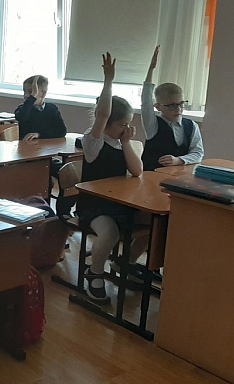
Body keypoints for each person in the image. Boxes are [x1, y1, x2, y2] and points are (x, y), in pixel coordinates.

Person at [77, 53, 144, 302]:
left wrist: (126, 143)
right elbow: (103, 114)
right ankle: (94, 273)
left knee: (153, 225)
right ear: (106, 124)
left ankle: (125, 262)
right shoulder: (93, 140)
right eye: (122, 125)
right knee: (110, 234)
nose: (127, 129)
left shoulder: (121, 142)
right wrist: (108, 81)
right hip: (93, 205)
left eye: (129, 124)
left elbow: (137, 171)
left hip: (118, 201)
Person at [140, 45, 204, 170]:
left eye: (181, 103)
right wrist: (151, 69)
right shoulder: (153, 125)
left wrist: (179, 160)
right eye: (172, 106)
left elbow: (198, 153)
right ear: (158, 107)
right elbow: (146, 103)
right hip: (152, 175)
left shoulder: (191, 126)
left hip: (180, 175)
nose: (178, 109)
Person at [14, 75, 67, 140]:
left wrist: (39, 134)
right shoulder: (22, 109)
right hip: (26, 145)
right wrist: (32, 97)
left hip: (46, 145)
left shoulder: (52, 109)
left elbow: (61, 131)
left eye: (31, 92)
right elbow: (21, 117)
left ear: (43, 94)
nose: (26, 95)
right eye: (24, 92)